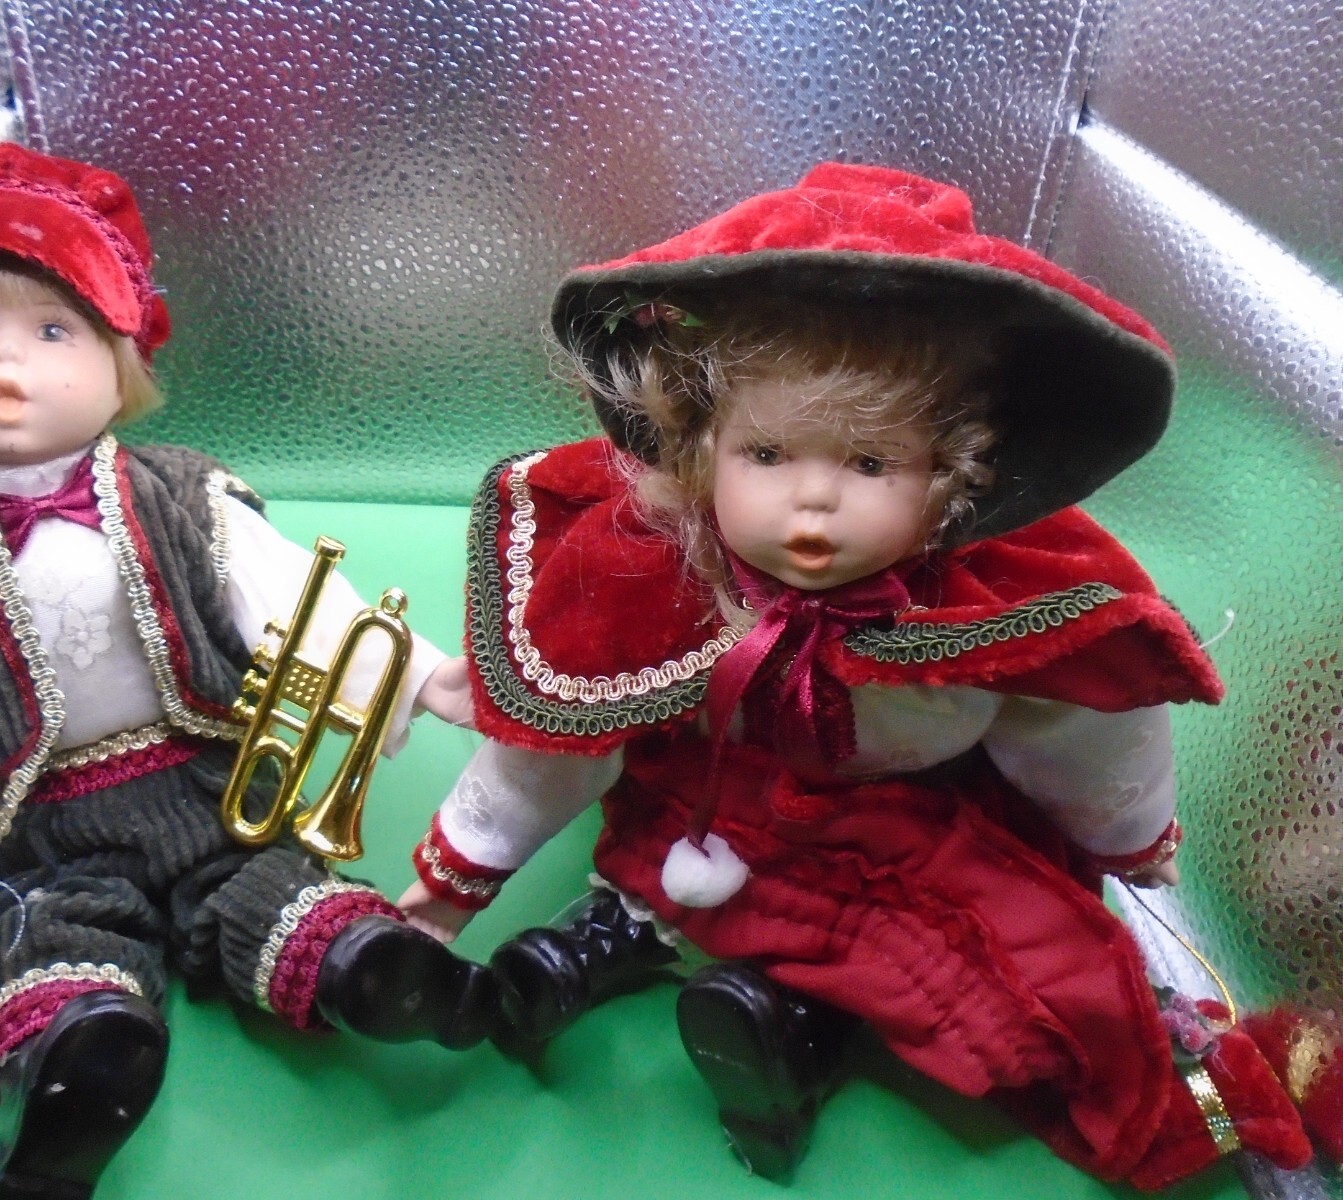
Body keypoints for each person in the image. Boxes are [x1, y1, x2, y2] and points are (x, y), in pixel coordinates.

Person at [397, 163, 1326, 1188]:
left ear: (954, 474)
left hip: (897, 826)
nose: (812, 508)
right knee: (658, 866)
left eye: (871, 466)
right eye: (766, 454)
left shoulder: (995, 606)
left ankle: (805, 1032)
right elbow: (558, 751)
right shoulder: (654, 565)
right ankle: (631, 947)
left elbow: (1086, 732)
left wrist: (1129, 840)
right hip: (705, 803)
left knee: (1011, 981)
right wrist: (449, 888)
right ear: (703, 443)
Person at [0, 142, 490, 1200]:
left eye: (52, 331)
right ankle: (76, 1069)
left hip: (210, 788)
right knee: (52, 941)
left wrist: (416, 677)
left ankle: (362, 969)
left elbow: (293, 598)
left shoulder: (182, 496)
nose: (7, 368)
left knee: (264, 884)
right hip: (44, 829)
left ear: (120, 358)